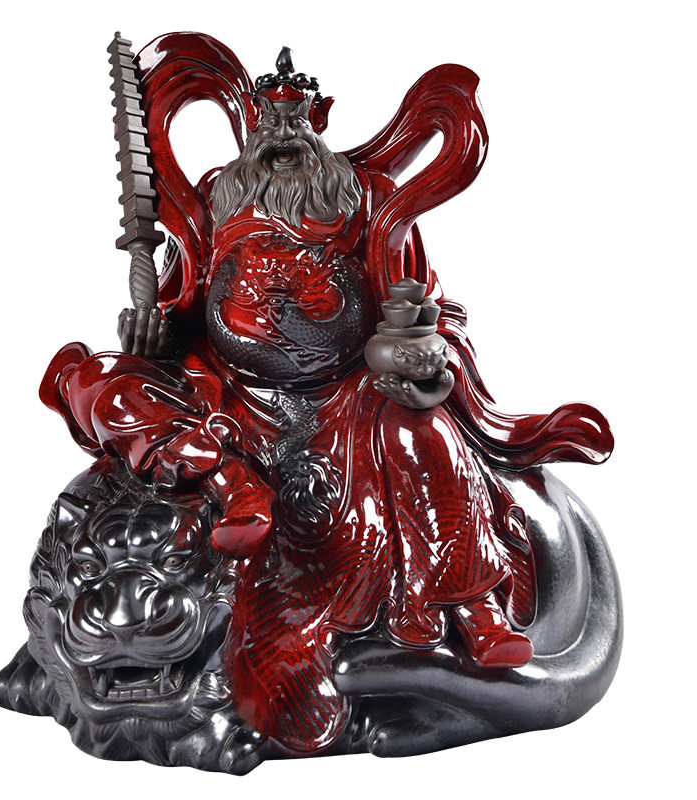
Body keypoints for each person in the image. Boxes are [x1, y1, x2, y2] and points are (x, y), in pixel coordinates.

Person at [46, 36, 613, 754]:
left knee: (425, 432)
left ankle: (472, 607)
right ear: (250, 129)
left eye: (297, 121)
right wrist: (150, 335)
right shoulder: (218, 200)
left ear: (320, 121)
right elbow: (182, 305)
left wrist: (424, 359)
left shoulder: (366, 200)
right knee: (96, 378)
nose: (283, 138)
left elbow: (431, 314)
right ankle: (230, 484)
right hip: (228, 403)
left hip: (348, 403)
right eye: (270, 122)